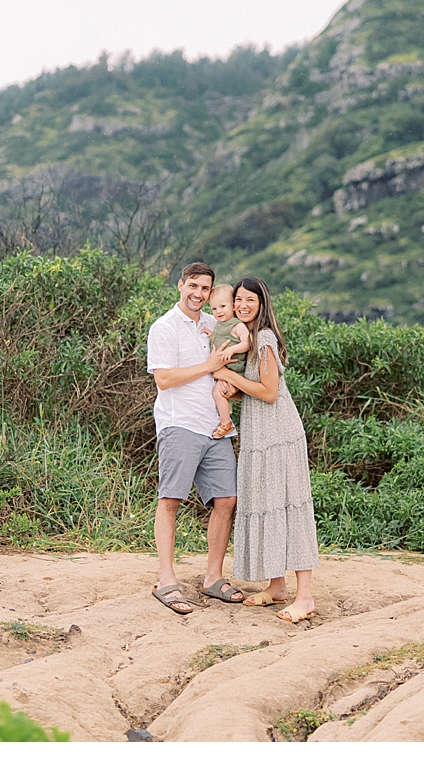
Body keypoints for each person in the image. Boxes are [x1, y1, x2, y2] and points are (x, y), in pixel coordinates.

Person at [211, 276, 319, 624]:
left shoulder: (265, 338)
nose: (242, 306)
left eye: (250, 301)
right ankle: (277, 587)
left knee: (289, 504)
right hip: (260, 433)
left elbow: (270, 391)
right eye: (238, 300)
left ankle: (305, 597)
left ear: (262, 305)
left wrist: (225, 373)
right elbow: (255, 388)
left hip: (279, 432)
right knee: (267, 502)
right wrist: (234, 390)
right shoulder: (249, 338)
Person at [144, 262, 247, 614]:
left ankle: (213, 578)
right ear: (180, 286)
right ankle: (167, 581)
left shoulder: (214, 323)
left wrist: (230, 389)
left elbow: (225, 369)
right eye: (193, 286)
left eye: (205, 289)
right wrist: (209, 366)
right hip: (179, 425)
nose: (199, 294)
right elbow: (164, 380)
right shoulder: (164, 327)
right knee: (170, 499)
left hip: (215, 428)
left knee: (227, 500)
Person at [206, 284, 250, 440]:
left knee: (218, 392)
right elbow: (223, 338)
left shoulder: (237, 325)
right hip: (224, 371)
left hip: (234, 371)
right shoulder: (220, 325)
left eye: (223, 306)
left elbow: (246, 343)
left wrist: (232, 350)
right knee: (219, 392)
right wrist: (211, 334)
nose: (218, 312)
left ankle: (226, 423)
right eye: (214, 309)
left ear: (233, 306)